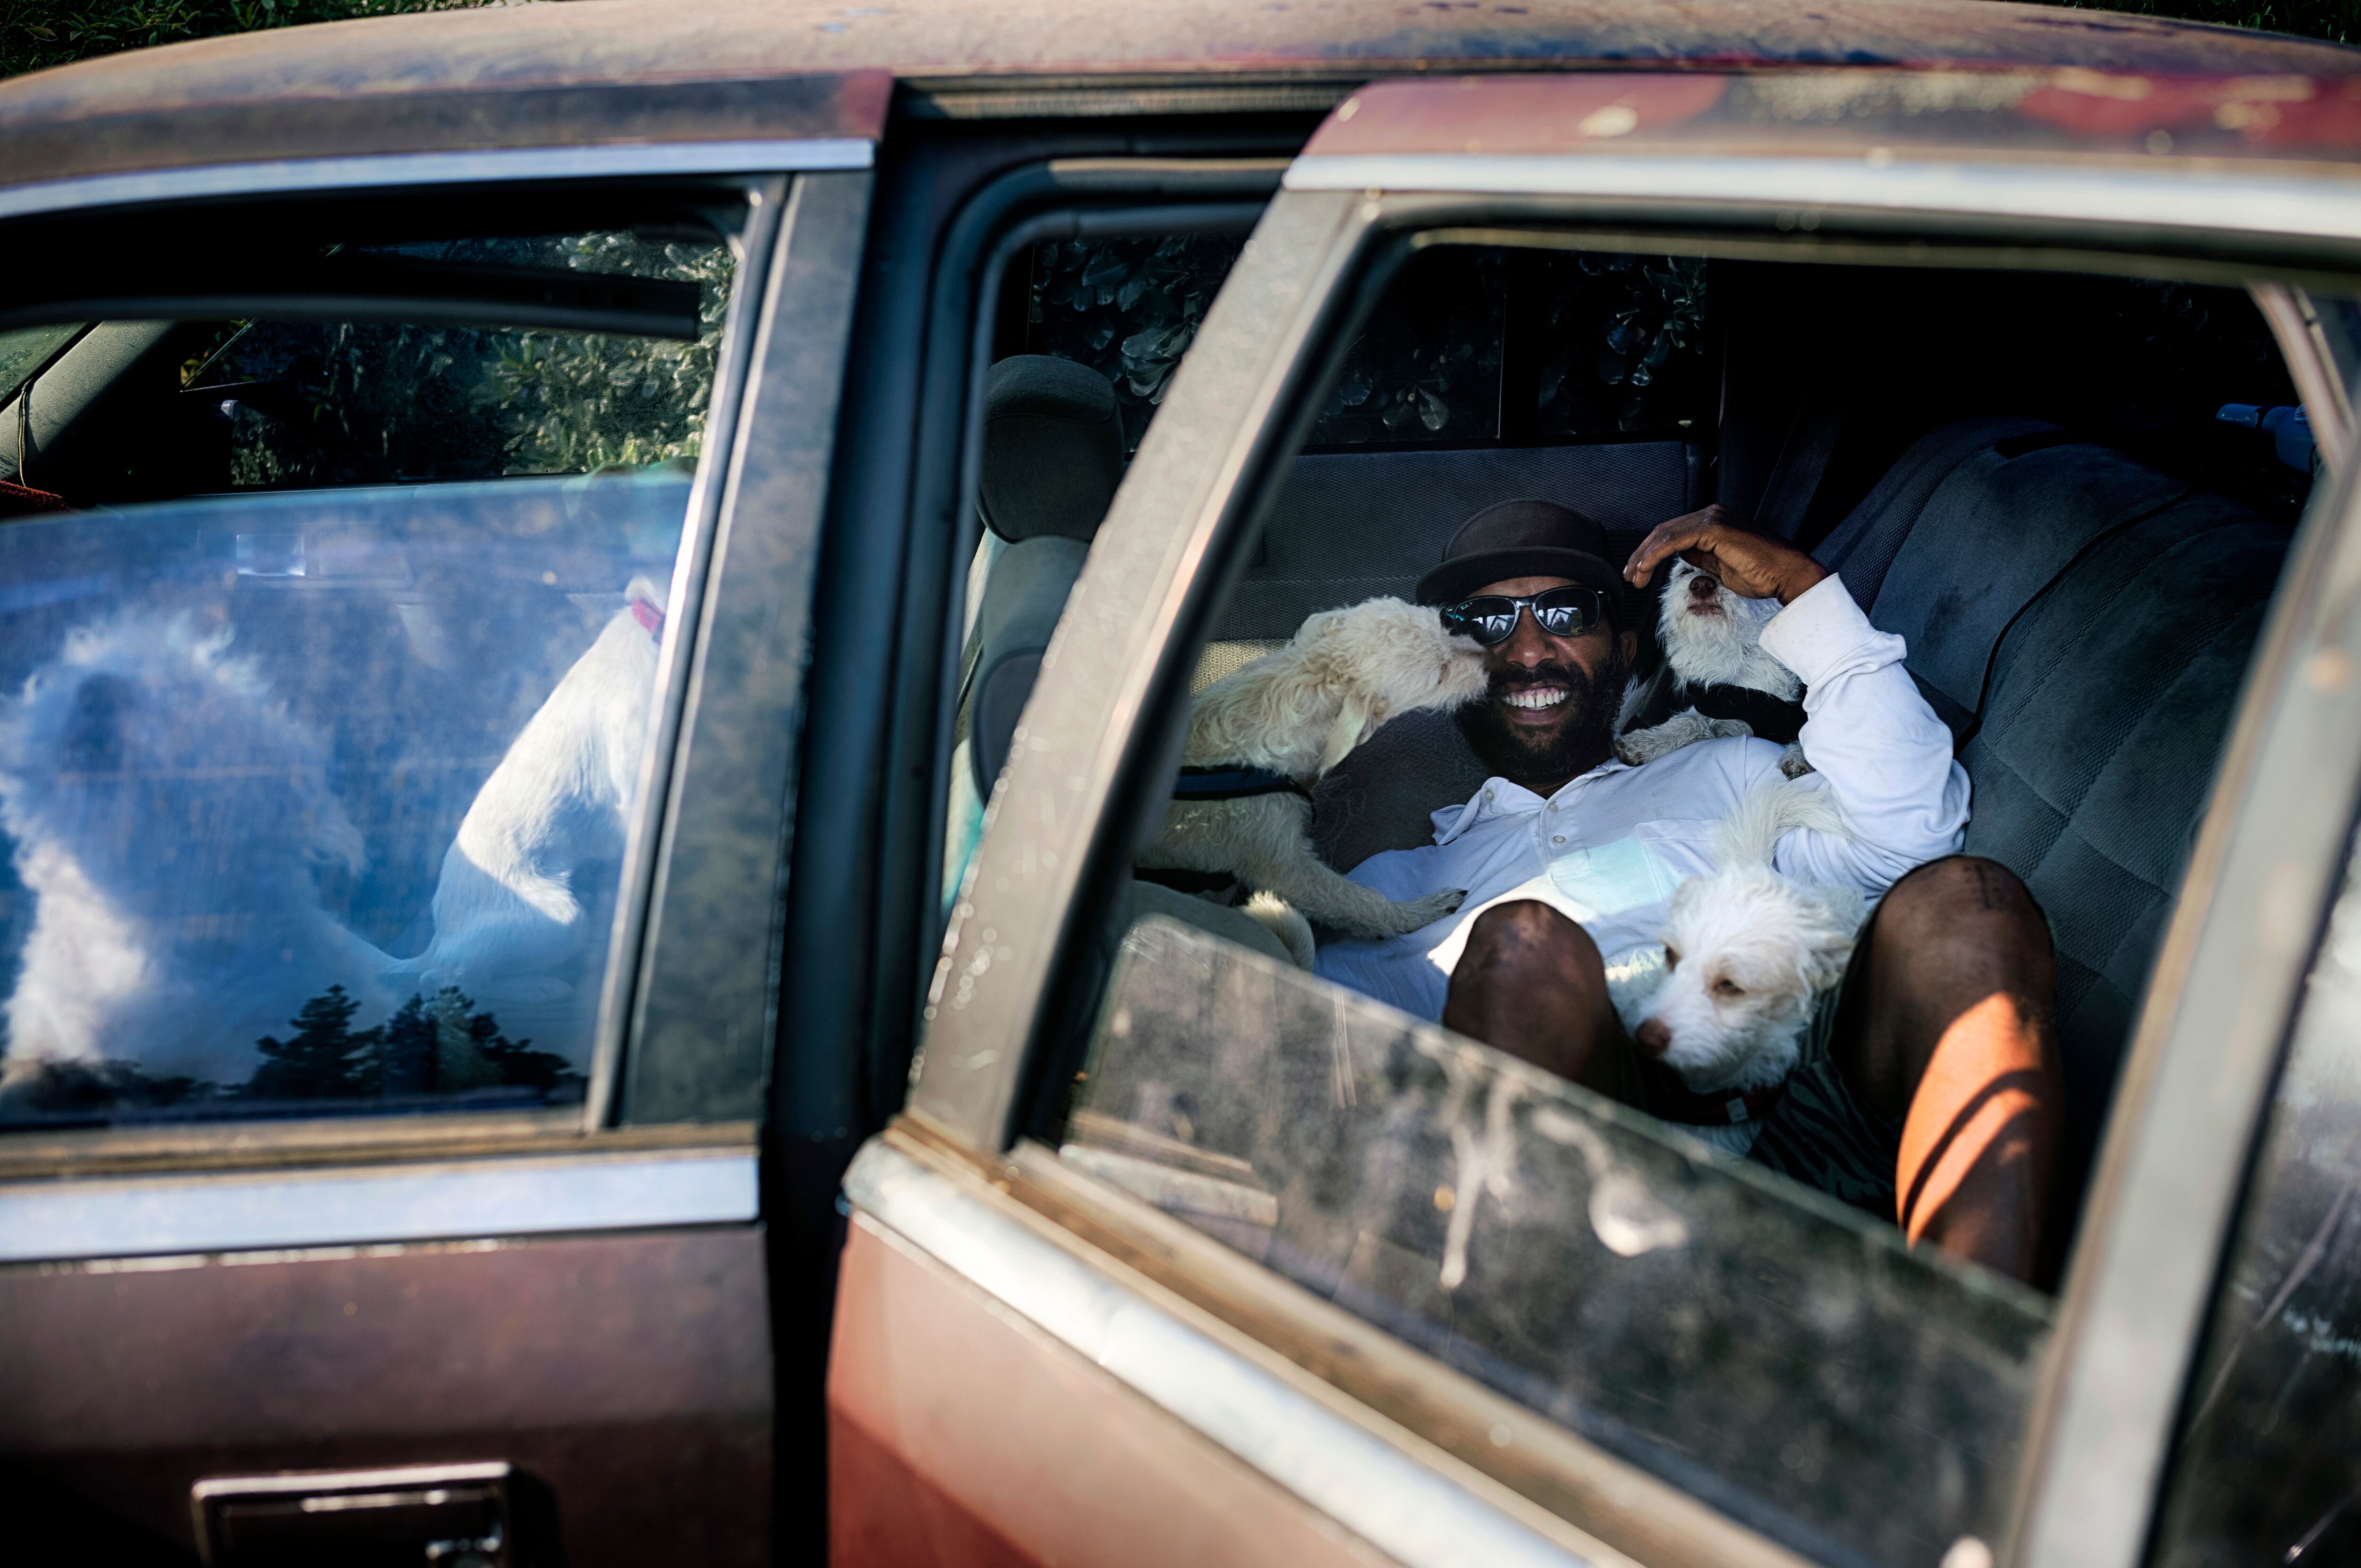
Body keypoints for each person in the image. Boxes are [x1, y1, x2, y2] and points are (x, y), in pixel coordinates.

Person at [1315, 499, 2061, 1284]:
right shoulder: (1382, 893)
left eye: (1565, 612)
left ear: (1626, 647)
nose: (1529, 646)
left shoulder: (1727, 770)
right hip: (1575, 1176)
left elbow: (1917, 831)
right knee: (1522, 942)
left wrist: (1804, 590)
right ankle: (1534, 1360)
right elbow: (1313, 1069)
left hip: (1803, 1101)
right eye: (1489, 622)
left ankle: (1986, 1357)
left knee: (1968, 901)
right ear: (1451, 668)